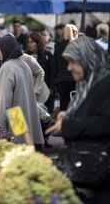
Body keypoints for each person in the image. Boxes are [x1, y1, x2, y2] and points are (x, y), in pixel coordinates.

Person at [46, 35, 110, 204]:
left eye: (73, 62)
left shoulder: (105, 83)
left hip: (99, 175)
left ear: (88, 59)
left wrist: (68, 125)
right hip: (86, 169)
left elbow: (104, 123)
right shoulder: (87, 83)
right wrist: (68, 116)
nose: (69, 67)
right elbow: (91, 113)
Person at [0, 34, 44, 147]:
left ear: (5, 49)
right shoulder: (24, 65)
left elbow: (5, 102)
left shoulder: (7, 68)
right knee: (23, 150)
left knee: (15, 155)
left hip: (14, 118)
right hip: (21, 116)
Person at [26, 32, 55, 113]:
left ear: (38, 43)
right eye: (28, 42)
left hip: (45, 90)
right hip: (29, 90)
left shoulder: (47, 55)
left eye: (32, 42)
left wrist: (51, 88)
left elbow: (52, 72)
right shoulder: (25, 56)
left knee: (45, 115)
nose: (29, 44)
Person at [54, 24, 78, 111]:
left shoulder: (58, 45)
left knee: (63, 105)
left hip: (62, 79)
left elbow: (55, 64)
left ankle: (63, 123)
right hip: (75, 79)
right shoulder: (77, 45)